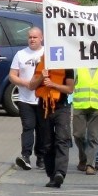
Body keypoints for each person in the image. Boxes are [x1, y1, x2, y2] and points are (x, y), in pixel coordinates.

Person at [32, 57, 75, 188]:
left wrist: (53, 84)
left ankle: (60, 173)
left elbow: (69, 89)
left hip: (62, 106)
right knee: (47, 142)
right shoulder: (41, 65)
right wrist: (41, 78)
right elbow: (31, 86)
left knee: (62, 139)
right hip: (44, 107)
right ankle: (52, 175)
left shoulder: (67, 66)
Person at [10, 27, 46, 170]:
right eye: (30, 37)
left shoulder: (47, 54)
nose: (32, 39)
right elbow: (12, 76)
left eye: (35, 37)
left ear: (41, 38)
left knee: (42, 129)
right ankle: (25, 156)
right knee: (28, 127)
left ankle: (41, 157)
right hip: (25, 99)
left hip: (42, 99)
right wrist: (26, 83)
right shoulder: (20, 54)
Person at [72, 66, 98, 175]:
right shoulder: (78, 67)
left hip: (97, 106)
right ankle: (83, 157)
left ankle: (90, 165)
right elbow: (71, 85)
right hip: (80, 105)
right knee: (78, 135)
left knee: (94, 136)